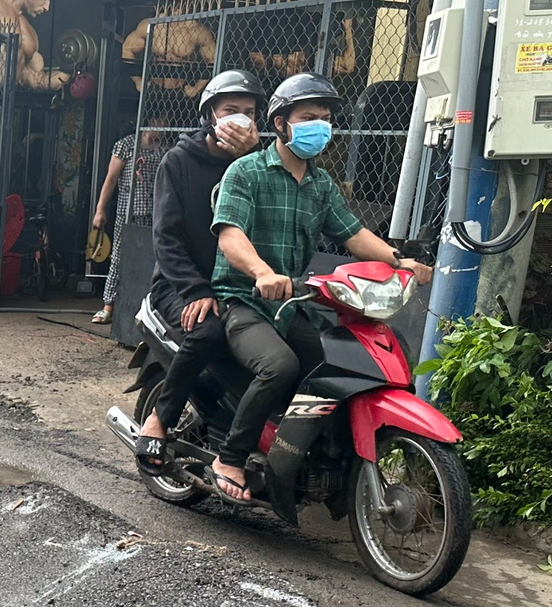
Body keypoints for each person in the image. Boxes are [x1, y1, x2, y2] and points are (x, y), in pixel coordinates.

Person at [206, 73, 431, 501]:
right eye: (309, 117)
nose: (320, 127)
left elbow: (353, 234)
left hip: (292, 305)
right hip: (243, 300)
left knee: (340, 364)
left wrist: (399, 260)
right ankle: (230, 457)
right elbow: (230, 235)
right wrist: (262, 273)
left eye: (325, 119)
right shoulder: (246, 172)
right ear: (280, 124)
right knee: (280, 366)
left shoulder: (321, 184)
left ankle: (314, 455)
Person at [135, 69, 265, 471]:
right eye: (231, 110)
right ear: (210, 114)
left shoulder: (259, 167)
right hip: (181, 286)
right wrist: (196, 290)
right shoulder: (178, 162)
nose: (241, 119)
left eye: (249, 112)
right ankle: (160, 419)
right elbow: (166, 238)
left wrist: (254, 158)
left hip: (240, 285)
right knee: (208, 330)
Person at [90, 117, 169, 324]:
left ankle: (148, 307)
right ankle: (108, 306)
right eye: (161, 121)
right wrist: (100, 209)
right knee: (119, 256)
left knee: (154, 258)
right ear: (151, 121)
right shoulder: (126, 145)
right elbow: (111, 179)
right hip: (129, 211)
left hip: (155, 213)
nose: (163, 127)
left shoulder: (165, 149)